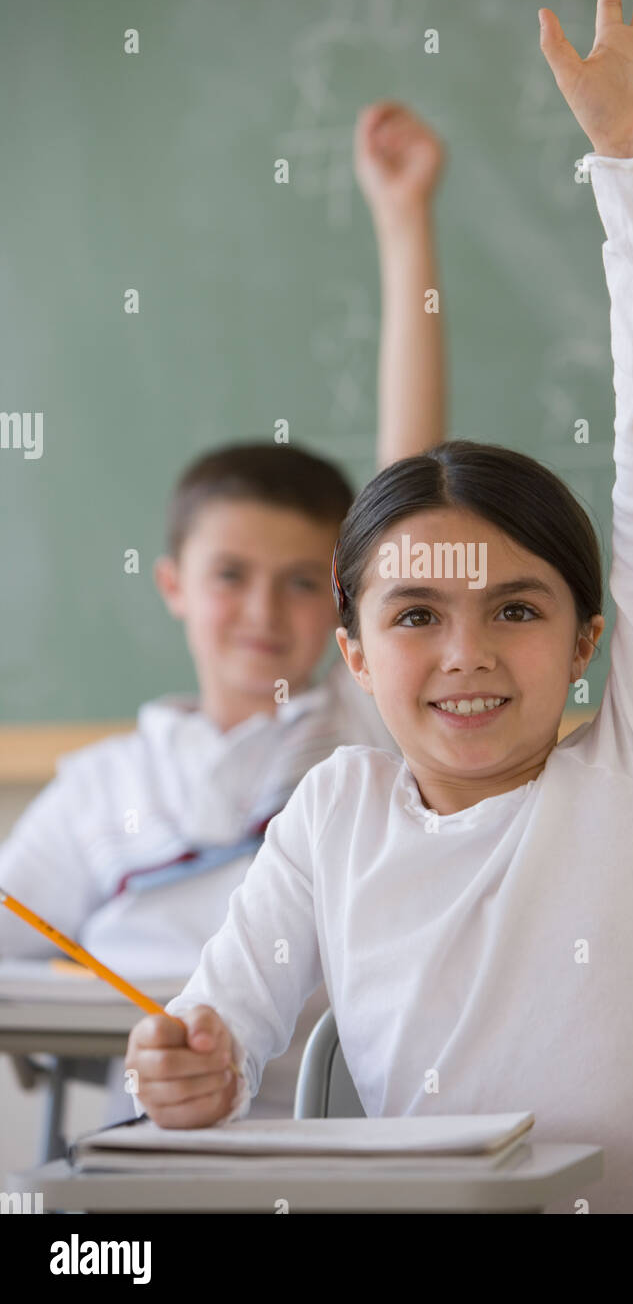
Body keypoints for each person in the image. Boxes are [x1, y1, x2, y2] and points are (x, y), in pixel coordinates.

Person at [126, 0, 633, 1212]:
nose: (466, 651)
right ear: (353, 649)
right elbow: (213, 1032)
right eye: (416, 614)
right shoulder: (333, 816)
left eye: (518, 609)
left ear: (591, 636)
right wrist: (188, 1067)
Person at [0, 102, 448, 1122]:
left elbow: (412, 478)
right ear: (172, 586)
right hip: (142, 1142)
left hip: (334, 1144)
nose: (263, 610)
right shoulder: (106, 785)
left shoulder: (368, 728)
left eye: (304, 580)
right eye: (229, 575)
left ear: (350, 602)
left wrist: (402, 221)